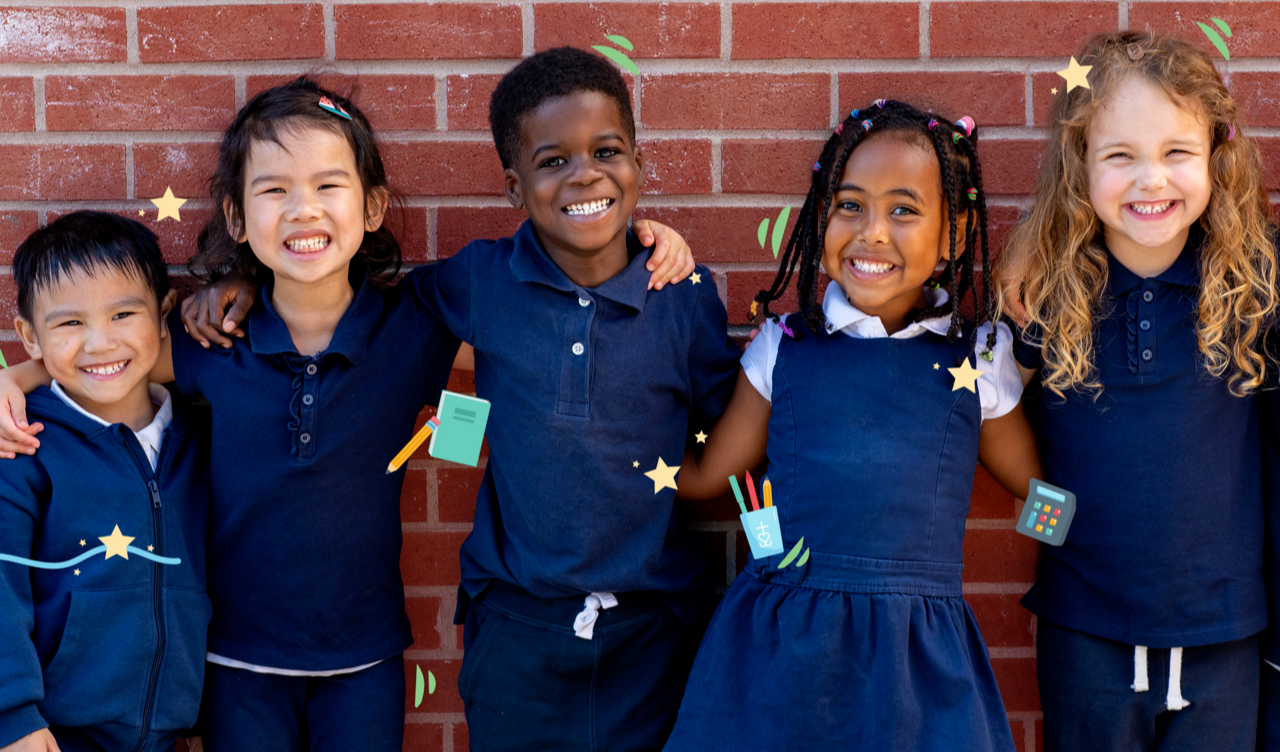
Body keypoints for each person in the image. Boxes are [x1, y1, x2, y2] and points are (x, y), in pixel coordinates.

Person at [180, 48, 738, 752]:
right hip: (504, 626)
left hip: (651, 618)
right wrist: (243, 285)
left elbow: (735, 419)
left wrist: (658, 242)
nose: (585, 174)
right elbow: (331, 294)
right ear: (513, 186)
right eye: (554, 160)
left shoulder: (679, 295)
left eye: (606, 151)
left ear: (638, 164)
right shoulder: (478, 282)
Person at [663, 99, 1041, 751]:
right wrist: (603, 454)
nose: (871, 232)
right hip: (783, 645)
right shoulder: (785, 346)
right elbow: (705, 477)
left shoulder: (978, 357)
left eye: (903, 209)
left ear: (953, 237)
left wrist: (1101, 542)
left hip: (913, 661)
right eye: (850, 205)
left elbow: (1036, 495)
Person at [997, 31, 1276, 752]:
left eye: (1176, 153)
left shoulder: (1252, 287)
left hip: (1227, 631)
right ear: (1078, 166)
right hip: (1085, 625)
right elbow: (983, 409)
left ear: (1217, 157)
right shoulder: (1046, 294)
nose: (1151, 179)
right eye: (1120, 156)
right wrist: (1047, 515)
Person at [0, 212, 210, 752]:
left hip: (172, 735)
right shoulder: (23, 447)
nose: (100, 343)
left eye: (123, 313)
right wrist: (12, 717)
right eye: (70, 324)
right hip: (55, 736)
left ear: (164, 315)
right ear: (30, 336)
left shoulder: (202, 436)